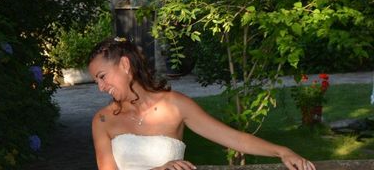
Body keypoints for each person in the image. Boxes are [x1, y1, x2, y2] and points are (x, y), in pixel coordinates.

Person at [88, 38, 316, 170]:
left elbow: (234, 138)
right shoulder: (103, 120)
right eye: (96, 80)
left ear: (125, 65)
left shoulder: (176, 105)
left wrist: (282, 151)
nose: (100, 87)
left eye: (102, 76)